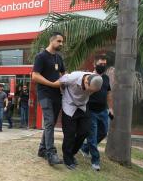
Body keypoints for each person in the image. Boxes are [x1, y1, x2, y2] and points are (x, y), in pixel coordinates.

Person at [53, 72, 103, 170]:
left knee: (85, 131)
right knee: (69, 134)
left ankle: (71, 153)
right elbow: (60, 81)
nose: (89, 92)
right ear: (85, 81)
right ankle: (67, 159)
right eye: (89, 89)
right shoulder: (73, 77)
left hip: (83, 106)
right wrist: (62, 91)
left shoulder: (96, 81)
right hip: (69, 105)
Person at [31, 32, 66, 165]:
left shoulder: (59, 58)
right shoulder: (41, 56)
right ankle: (51, 153)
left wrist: (64, 81)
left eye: (62, 42)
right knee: (50, 121)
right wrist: (52, 84)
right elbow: (35, 76)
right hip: (45, 94)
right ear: (52, 41)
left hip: (57, 94)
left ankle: (42, 149)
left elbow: (63, 73)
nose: (61, 44)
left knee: (50, 123)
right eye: (59, 41)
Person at [80, 55, 113, 171]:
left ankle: (85, 148)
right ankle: (95, 161)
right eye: (100, 64)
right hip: (91, 111)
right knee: (92, 136)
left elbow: (108, 94)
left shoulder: (106, 78)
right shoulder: (89, 77)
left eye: (104, 64)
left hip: (103, 110)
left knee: (103, 132)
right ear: (94, 64)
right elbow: (83, 92)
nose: (102, 66)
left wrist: (110, 109)